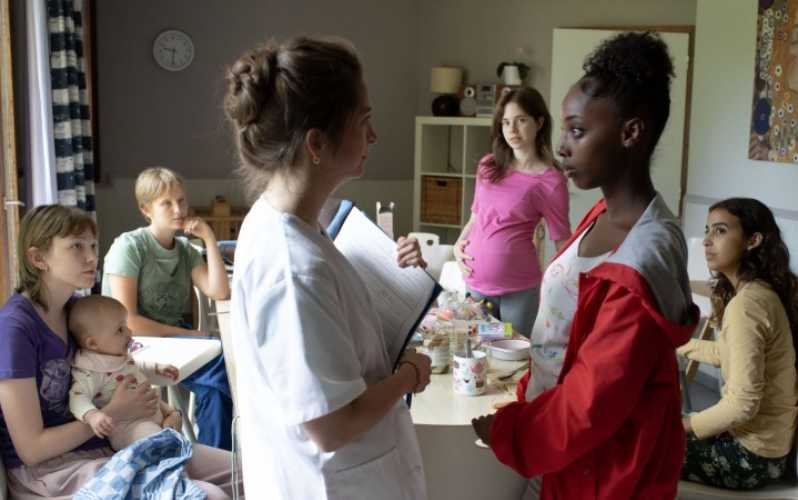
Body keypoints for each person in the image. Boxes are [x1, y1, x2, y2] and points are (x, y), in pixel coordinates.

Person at [471, 31, 699, 499]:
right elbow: (562, 336)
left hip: (603, 472)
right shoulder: (601, 215)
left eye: (577, 132)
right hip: (565, 456)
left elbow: (589, 404)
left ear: (630, 133)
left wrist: (508, 431)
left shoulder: (644, 255)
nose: (563, 147)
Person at [223, 35, 432, 499]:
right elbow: (332, 425)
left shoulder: (289, 223)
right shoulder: (293, 267)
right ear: (316, 142)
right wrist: (409, 375)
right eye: (364, 122)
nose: (373, 137)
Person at [0, 205, 240, 499]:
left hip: (109, 446)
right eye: (76, 246)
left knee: (248, 471)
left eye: (92, 245)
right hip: (52, 472)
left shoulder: (77, 310)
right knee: (209, 495)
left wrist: (159, 400)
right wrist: (114, 413)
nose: (91, 257)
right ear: (38, 258)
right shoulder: (15, 329)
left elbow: (113, 361)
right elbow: (32, 449)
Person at [102, 167, 234, 450]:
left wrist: (209, 238)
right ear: (146, 209)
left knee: (224, 365)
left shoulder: (185, 250)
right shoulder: (130, 247)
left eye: (182, 201)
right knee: (218, 375)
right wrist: (190, 334)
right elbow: (128, 322)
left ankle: (215, 456)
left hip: (173, 339)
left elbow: (219, 291)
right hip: (130, 343)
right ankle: (217, 456)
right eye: (167, 203)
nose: (178, 209)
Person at [679, 198, 798, 490]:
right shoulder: (758, 292)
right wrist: (674, 344)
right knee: (654, 421)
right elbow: (726, 353)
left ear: (752, 240)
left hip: (751, 457)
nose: (707, 241)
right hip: (768, 449)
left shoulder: (747, 306)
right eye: (707, 230)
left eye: (720, 231)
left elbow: (742, 405)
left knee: (638, 442)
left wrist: (683, 426)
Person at [453, 87, 571, 337]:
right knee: (479, 349)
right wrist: (457, 246)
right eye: (506, 122)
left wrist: (570, 291)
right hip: (476, 284)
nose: (512, 130)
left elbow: (562, 241)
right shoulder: (488, 166)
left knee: (513, 354)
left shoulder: (550, 181)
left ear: (539, 122)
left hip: (519, 290)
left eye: (521, 120)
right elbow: (475, 218)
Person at [68, 295, 183, 451]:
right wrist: (92, 415)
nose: (129, 332)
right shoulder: (90, 370)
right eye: (120, 329)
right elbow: (77, 396)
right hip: (129, 428)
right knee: (161, 443)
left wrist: (156, 368)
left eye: (126, 326)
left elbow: (134, 366)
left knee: (171, 432)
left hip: (152, 412)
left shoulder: (117, 355)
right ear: (93, 343)